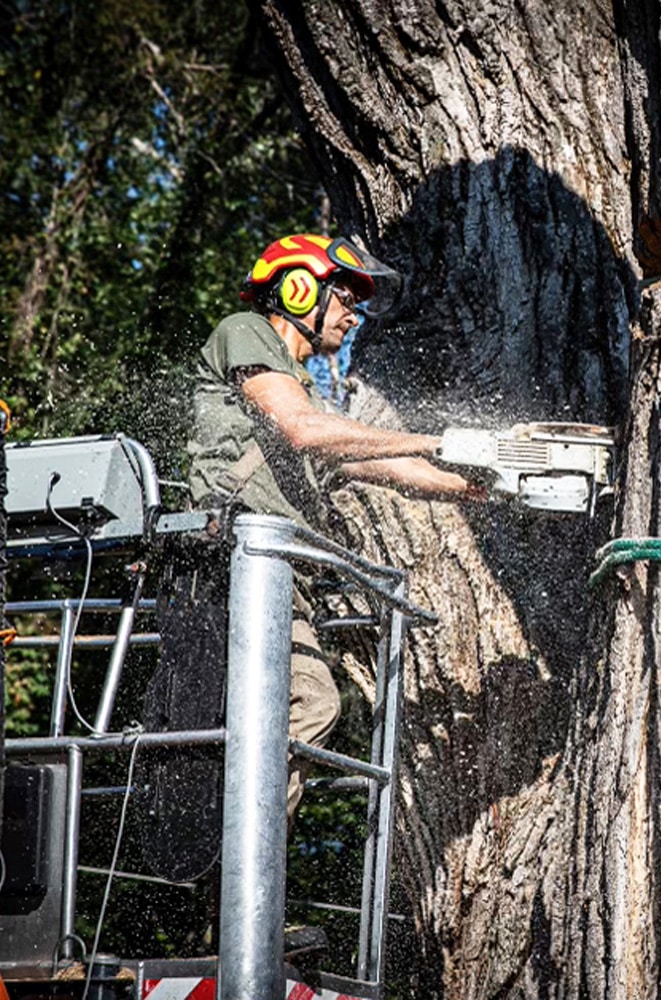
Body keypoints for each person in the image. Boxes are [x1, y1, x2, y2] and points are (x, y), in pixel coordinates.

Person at [186, 232, 477, 818]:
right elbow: (303, 431)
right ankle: (233, 862)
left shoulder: (302, 387)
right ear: (296, 288)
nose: (353, 313)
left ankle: (244, 860)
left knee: (312, 704)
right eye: (344, 296)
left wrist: (481, 483)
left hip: (277, 576)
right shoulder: (246, 332)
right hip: (230, 563)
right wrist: (441, 437)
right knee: (310, 702)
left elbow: (381, 463)